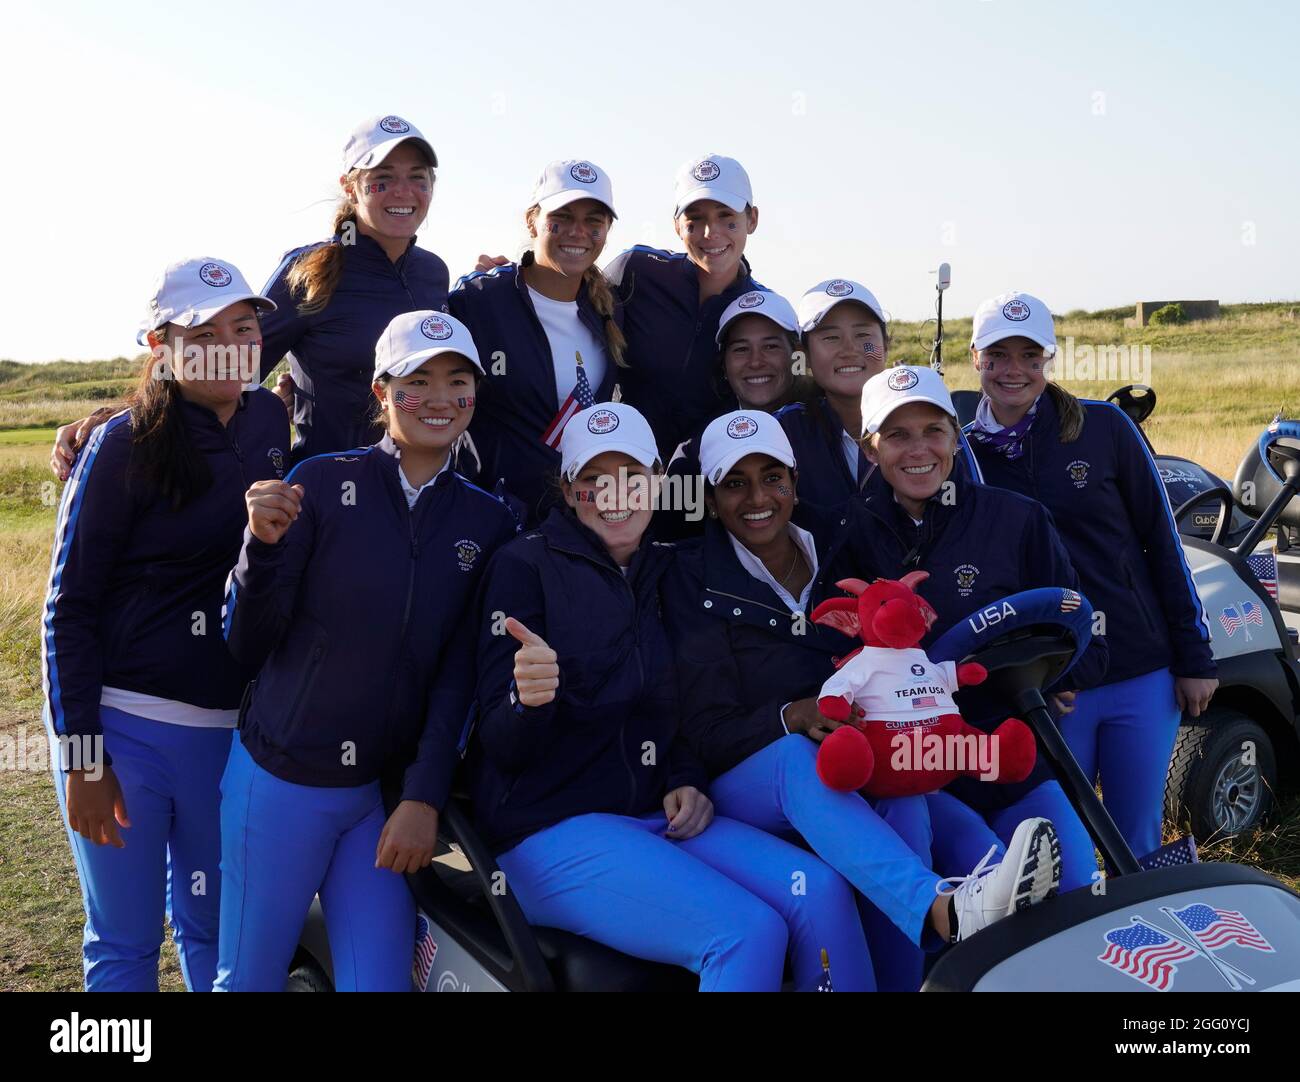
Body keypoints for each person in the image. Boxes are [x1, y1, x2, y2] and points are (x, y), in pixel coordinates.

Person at [468, 402, 874, 991]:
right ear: (567, 488)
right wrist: (524, 700)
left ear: (659, 482)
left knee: (820, 892)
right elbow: (499, 745)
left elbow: (677, 703)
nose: (616, 495)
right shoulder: (523, 567)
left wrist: (682, 774)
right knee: (747, 932)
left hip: (651, 817)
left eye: (633, 478)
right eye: (594, 481)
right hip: (549, 830)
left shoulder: (665, 571)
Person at [661, 409, 1063, 990]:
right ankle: (940, 908)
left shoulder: (839, 544)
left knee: (910, 802)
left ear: (795, 481)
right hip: (748, 775)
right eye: (735, 482)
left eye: (773, 477)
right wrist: (791, 716)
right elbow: (702, 727)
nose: (758, 497)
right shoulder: (691, 577)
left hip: (854, 758)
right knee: (806, 759)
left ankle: (958, 957)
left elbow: (894, 646)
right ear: (711, 495)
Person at [215, 311, 517, 991]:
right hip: (280, 783)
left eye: (458, 380)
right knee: (247, 981)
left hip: (380, 800)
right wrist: (258, 554)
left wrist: (423, 796)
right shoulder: (319, 483)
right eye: (418, 381)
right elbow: (245, 640)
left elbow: (457, 676)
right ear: (381, 392)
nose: (441, 398)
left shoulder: (487, 519)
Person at [41, 258, 287, 991]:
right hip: (126, 733)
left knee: (213, 927)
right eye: (203, 333)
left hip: (228, 736)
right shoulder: (123, 444)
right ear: (162, 345)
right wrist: (83, 757)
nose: (230, 346)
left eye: (243, 328)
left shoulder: (271, 417)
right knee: (123, 941)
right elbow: (68, 608)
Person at [963, 291, 1217, 861]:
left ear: (1049, 360)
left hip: (1139, 669)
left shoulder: (1104, 427)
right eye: (998, 355)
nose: (1014, 370)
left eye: (1030, 355)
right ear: (975, 357)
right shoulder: (964, 453)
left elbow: (1161, 541)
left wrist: (1193, 657)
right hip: (1051, 686)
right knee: (1067, 843)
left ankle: (1152, 943)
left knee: (1136, 837)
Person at [848, 365, 1109, 892]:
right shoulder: (847, 532)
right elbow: (832, 660)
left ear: (954, 437)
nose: (918, 450)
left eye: (933, 431)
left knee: (1079, 882)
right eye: (897, 435)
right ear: (871, 449)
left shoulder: (1019, 519)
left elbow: (1089, 639)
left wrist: (1049, 676)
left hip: (1012, 751)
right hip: (913, 770)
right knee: (991, 887)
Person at [448, 160, 625, 525]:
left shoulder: (608, 308)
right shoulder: (479, 300)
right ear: (533, 220)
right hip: (490, 522)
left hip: (577, 521)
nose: (578, 232)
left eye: (594, 221)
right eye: (562, 216)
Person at [604, 154, 765, 458]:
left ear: (752, 219)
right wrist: (519, 274)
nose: (710, 232)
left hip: (708, 483)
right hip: (624, 473)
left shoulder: (762, 309)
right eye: (695, 219)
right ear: (677, 225)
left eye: (726, 217)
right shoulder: (636, 271)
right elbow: (567, 298)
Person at [777, 278, 982, 509]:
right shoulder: (785, 430)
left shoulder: (937, 422)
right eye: (831, 337)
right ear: (804, 355)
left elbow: (974, 517)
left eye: (863, 335)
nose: (849, 349)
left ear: (885, 345)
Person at [655, 287, 809, 540]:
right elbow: (670, 539)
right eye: (740, 349)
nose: (756, 361)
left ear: (796, 356)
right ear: (723, 365)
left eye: (771, 346)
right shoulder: (693, 454)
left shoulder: (831, 430)